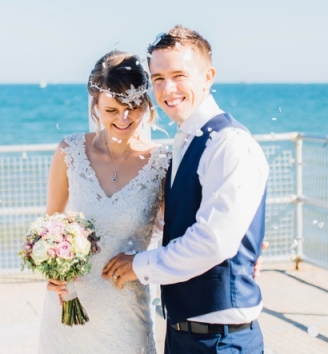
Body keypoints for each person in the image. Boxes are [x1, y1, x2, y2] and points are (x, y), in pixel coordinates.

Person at [102, 26, 269, 353]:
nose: (168, 88)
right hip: (184, 334)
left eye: (179, 75)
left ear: (208, 76)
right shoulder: (185, 143)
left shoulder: (229, 144)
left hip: (223, 339)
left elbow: (212, 242)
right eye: (159, 78)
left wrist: (136, 265)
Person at [40, 50, 168, 353]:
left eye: (132, 108)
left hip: (126, 312)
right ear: (95, 107)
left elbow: (184, 235)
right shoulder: (69, 152)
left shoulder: (162, 164)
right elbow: (50, 225)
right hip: (69, 306)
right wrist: (51, 272)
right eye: (111, 110)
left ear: (145, 104)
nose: (123, 119)